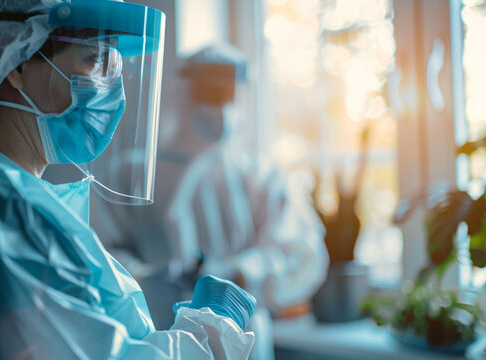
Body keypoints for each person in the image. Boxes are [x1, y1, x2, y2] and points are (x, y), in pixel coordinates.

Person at [0, 1, 257, 359]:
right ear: (13, 61)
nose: (112, 89)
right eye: (94, 61)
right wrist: (212, 330)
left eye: (114, 66)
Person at [90, 44, 329, 360]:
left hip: (244, 340)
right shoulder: (131, 172)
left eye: (228, 94)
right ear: (184, 93)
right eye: (210, 93)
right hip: (158, 336)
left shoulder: (259, 176)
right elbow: (100, 254)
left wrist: (239, 275)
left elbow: (301, 256)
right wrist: (146, 278)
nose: (221, 105)